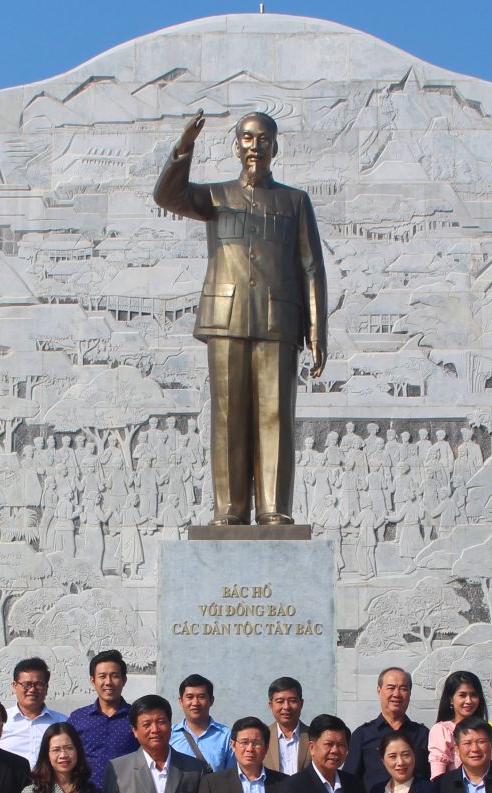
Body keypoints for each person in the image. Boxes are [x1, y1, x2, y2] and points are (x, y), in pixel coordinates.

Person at [153, 108, 327, 526]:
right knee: (228, 415)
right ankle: (229, 510)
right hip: (224, 317)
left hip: (278, 322)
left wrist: (318, 332)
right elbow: (166, 197)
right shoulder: (215, 196)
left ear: (275, 147)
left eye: (264, 139)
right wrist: (184, 147)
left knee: (275, 416)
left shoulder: (294, 201)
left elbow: (311, 266)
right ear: (236, 146)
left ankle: (272, 507)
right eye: (248, 139)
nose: (256, 147)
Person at [67, 649, 135, 790]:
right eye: (102, 676)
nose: (108, 682)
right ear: (93, 681)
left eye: (115, 676)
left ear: (124, 680)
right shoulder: (78, 718)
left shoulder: (136, 717)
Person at [3, 656, 65, 764]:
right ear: (14, 686)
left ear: (46, 688)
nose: (32, 689)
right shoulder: (2, 721)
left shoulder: (62, 722)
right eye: (26, 684)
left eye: (38, 684)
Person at [170, 673, 233, 772]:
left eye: (201, 697)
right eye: (190, 697)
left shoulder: (227, 736)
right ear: (180, 701)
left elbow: (231, 776)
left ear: (211, 700)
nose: (195, 703)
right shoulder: (170, 735)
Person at [264, 676, 308, 774]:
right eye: (280, 701)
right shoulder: (262, 737)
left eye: (292, 701)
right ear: (270, 705)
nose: (286, 707)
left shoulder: (314, 736)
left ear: (301, 703)